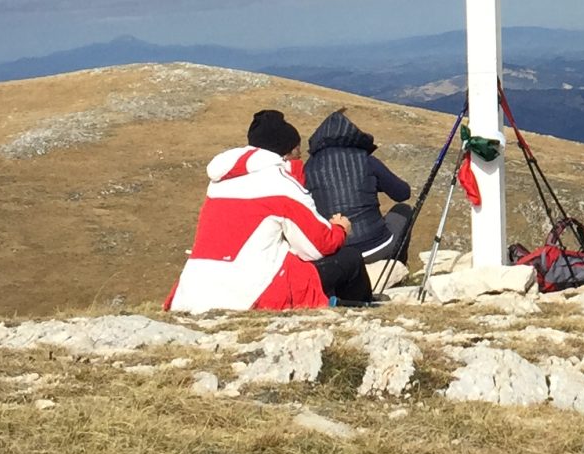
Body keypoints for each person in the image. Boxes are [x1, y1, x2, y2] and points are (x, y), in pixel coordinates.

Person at [167, 109, 353, 313]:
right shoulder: (281, 185)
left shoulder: (219, 183)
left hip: (193, 291)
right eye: (297, 151)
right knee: (349, 259)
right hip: (250, 293)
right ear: (286, 152)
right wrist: (339, 228)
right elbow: (316, 247)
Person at [303, 107, 415, 304]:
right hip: (376, 246)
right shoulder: (365, 160)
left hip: (336, 251)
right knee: (404, 211)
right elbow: (402, 194)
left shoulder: (309, 167)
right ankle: (396, 264)